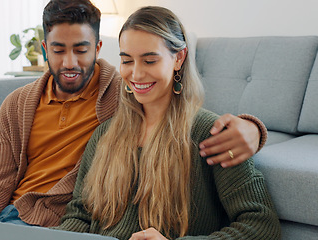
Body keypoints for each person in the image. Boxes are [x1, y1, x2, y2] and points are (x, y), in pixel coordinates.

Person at [0, 1, 267, 239]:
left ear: (97, 47)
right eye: (59, 49)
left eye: (82, 49)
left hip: (46, 222)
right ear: (44, 47)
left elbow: (187, 114)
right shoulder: (32, 107)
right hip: (9, 213)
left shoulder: (119, 96)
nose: (70, 62)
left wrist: (253, 127)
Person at [54, 6, 280, 240]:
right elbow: (79, 215)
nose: (136, 74)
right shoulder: (105, 134)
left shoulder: (212, 135)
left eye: (149, 61)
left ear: (178, 58)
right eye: (127, 60)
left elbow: (261, 225)